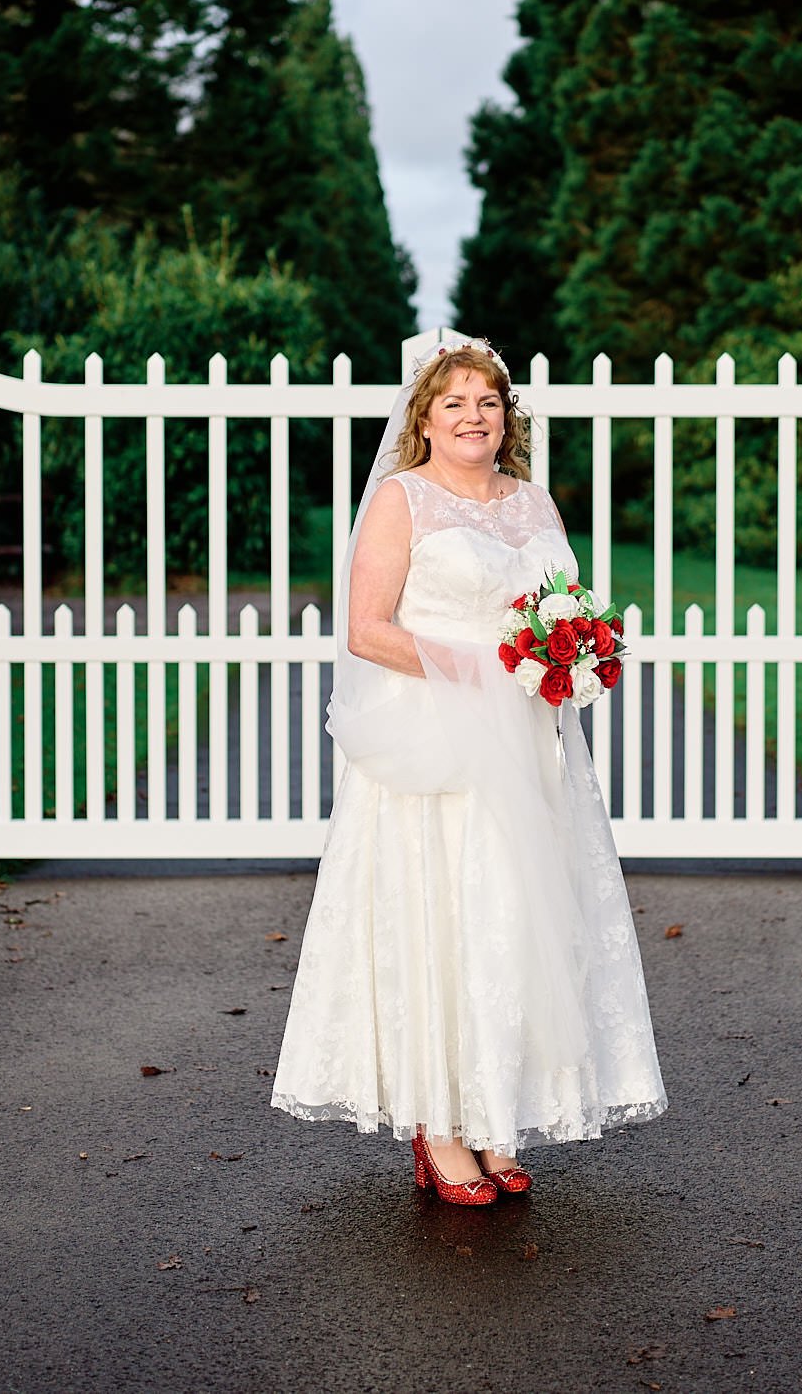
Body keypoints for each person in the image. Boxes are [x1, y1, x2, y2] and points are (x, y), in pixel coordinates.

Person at [269, 335, 667, 1205]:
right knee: (440, 917)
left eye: (487, 402)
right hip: (433, 744)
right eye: (454, 402)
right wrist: (487, 665)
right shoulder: (399, 500)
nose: (473, 416)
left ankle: (494, 1117)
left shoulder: (532, 503)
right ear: (425, 417)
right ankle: (438, 1126)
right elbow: (366, 629)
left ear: (506, 417)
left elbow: (565, 605)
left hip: (525, 743)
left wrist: (576, 654)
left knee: (510, 921)